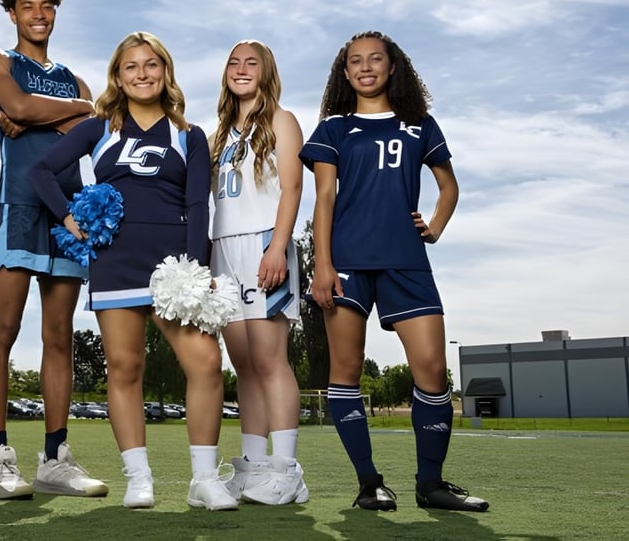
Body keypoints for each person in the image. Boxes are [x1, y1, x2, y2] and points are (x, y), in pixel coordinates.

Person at [29, 31, 236, 511]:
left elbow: (196, 206)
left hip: (172, 268)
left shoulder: (189, 135)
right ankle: (138, 477)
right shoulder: (97, 127)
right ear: (117, 78)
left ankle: (203, 478)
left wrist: (195, 269)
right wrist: (68, 216)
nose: (142, 74)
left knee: (205, 362)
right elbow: (41, 172)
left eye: (151, 65)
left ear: (165, 71)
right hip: (116, 262)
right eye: (131, 67)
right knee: (125, 368)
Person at [299, 31, 488, 512]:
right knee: (344, 374)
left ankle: (432, 485)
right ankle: (369, 483)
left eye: (375, 59)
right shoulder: (334, 129)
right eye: (355, 61)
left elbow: (448, 186)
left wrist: (436, 226)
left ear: (392, 66)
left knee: (430, 371)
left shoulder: (420, 124)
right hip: (346, 262)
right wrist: (322, 265)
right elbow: (323, 199)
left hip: (406, 260)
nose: (365, 67)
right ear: (344, 73)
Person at [0, 0, 107, 499]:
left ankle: (55, 458)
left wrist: (48, 112)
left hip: (69, 211)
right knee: (3, 328)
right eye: (27, 6)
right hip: (17, 204)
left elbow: (82, 129)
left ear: (55, 13)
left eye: (46, 5)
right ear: (12, 14)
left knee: (60, 336)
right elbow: (23, 108)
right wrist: (57, 113)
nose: (38, 13)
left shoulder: (76, 81)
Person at [209, 40, 309, 505]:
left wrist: (278, 248)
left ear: (266, 72)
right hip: (224, 250)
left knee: (271, 361)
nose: (241, 69)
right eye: (234, 62)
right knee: (245, 366)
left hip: (265, 242)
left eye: (252, 63)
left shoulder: (281, 120)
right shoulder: (222, 132)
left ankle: (288, 471)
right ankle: (252, 468)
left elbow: (292, 188)